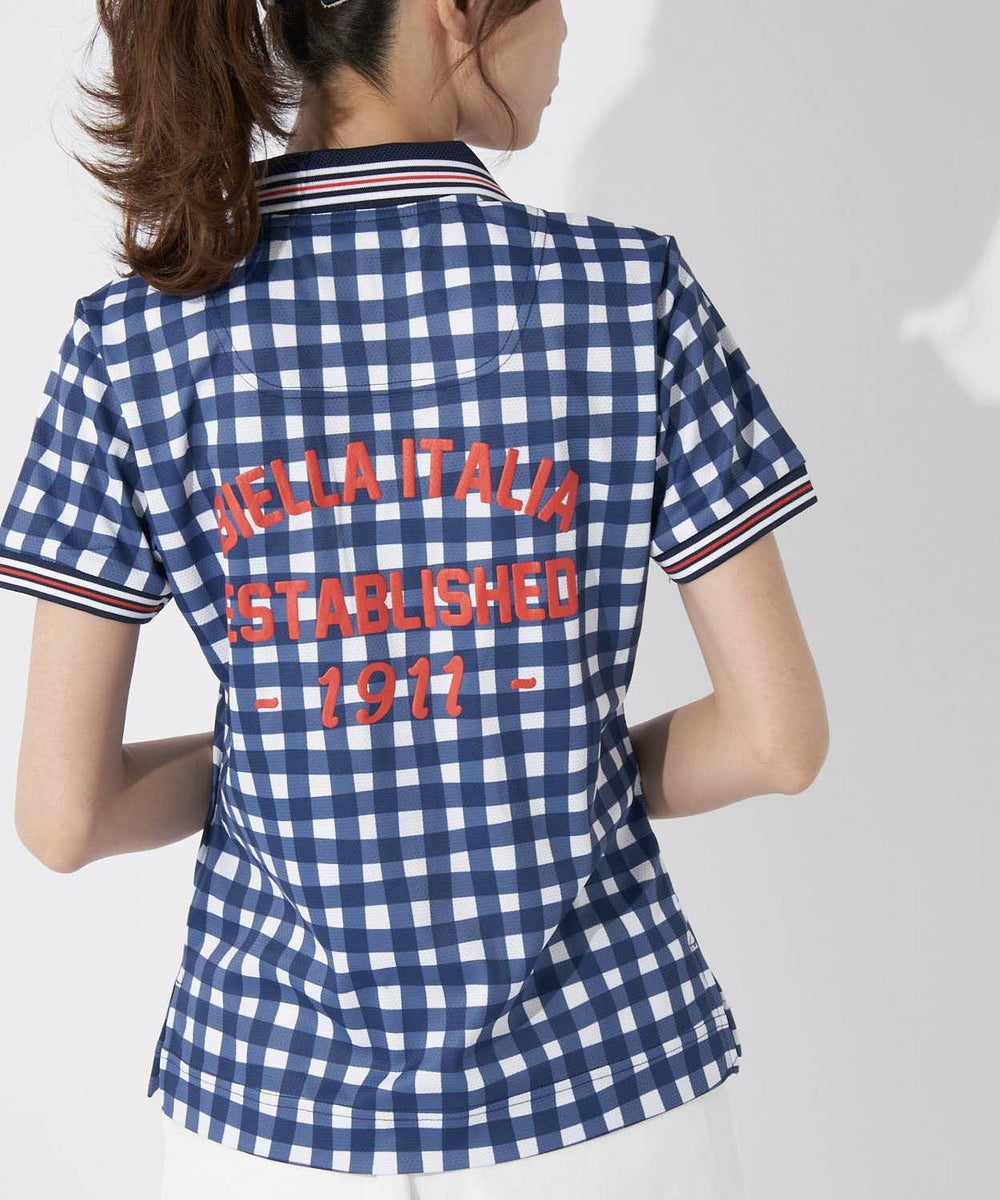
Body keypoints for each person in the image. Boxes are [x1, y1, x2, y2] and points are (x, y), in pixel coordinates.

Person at [0, 1, 829, 1197]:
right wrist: (532, 752)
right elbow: (775, 740)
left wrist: (315, 745)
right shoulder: (624, 293)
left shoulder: (132, 343)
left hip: (269, 1108)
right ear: (456, 11)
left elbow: (64, 817)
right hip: (601, 1089)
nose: (565, 36)